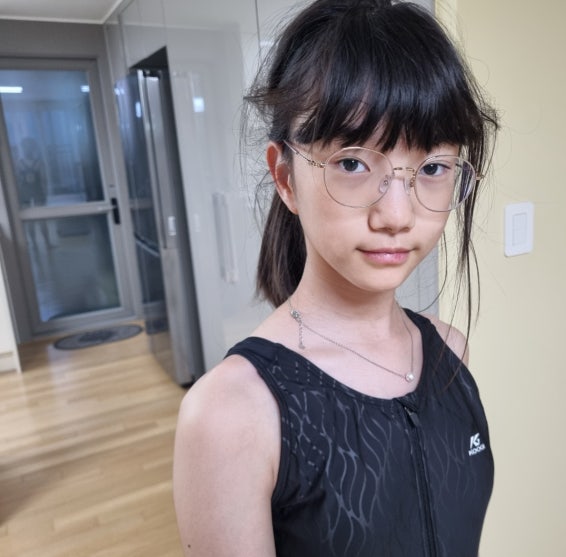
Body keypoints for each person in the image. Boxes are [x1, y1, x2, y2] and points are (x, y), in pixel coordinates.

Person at [173, 0, 499, 555]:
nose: (397, 214)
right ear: (286, 177)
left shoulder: (451, 353)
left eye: (432, 167)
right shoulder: (232, 413)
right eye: (353, 162)